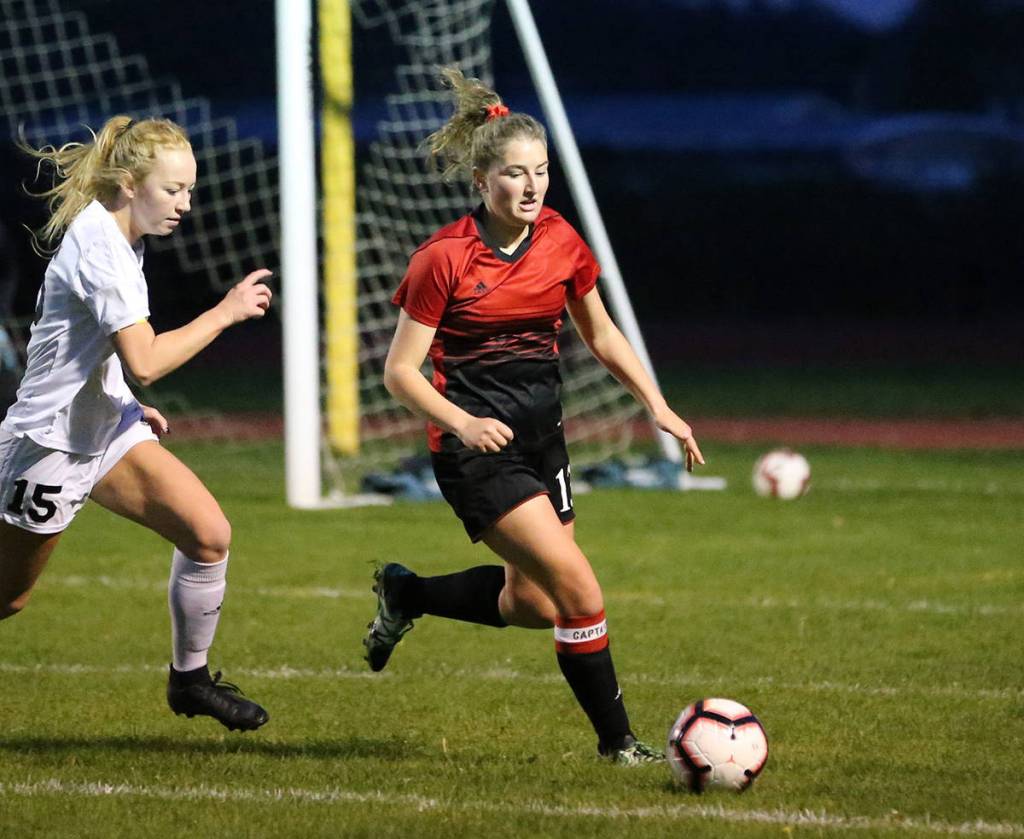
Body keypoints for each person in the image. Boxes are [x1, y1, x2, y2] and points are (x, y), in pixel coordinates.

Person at [363, 67, 705, 764]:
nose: (531, 186)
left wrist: (658, 405)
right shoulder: (443, 259)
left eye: (540, 172)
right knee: (579, 587)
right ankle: (619, 747)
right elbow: (398, 371)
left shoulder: (560, 241)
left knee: (538, 604)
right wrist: (460, 422)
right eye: (515, 173)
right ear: (482, 180)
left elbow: (601, 333)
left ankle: (408, 593)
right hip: (475, 452)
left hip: (544, 439)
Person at [0, 116, 272, 732]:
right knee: (8, 598)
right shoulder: (102, 248)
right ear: (128, 184)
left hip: (104, 425)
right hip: (49, 443)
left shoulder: (124, 237)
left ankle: (191, 682)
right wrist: (224, 314)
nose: (185, 204)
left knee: (208, 535)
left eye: (190, 191)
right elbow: (147, 360)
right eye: (172, 189)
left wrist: (119, 399)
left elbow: (95, 349)